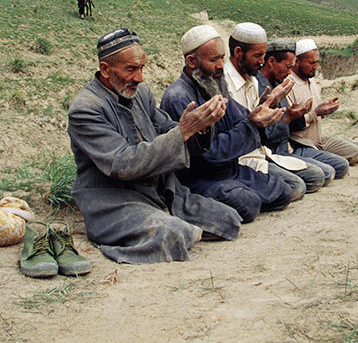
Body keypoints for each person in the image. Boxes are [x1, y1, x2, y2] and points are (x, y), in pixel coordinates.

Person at [67, 28, 242, 264]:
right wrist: (184, 131)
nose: (139, 78)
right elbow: (123, 163)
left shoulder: (141, 94)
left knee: (229, 219)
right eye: (131, 69)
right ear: (106, 69)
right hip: (116, 200)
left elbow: (169, 129)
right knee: (173, 233)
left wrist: (201, 126)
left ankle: (175, 223)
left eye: (141, 68)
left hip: (160, 192)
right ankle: (169, 228)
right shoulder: (86, 108)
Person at [160, 25, 293, 223]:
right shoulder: (178, 97)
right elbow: (208, 154)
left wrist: (264, 109)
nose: (221, 65)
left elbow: (244, 119)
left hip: (230, 171)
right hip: (202, 177)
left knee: (283, 191)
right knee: (247, 203)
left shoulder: (214, 85)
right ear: (192, 61)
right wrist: (252, 125)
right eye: (214, 59)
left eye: (222, 57)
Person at [224, 24, 325, 198]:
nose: (261, 61)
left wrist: (275, 111)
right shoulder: (225, 84)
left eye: (263, 56)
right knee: (296, 187)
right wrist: (282, 117)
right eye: (257, 56)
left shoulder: (253, 81)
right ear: (239, 52)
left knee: (315, 176)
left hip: (264, 153)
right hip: (242, 159)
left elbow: (261, 127)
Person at [258, 39, 350, 182]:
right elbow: (268, 132)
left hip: (294, 146)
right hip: (287, 147)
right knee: (320, 175)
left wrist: (299, 115)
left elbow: (288, 122)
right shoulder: (267, 87)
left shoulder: (281, 84)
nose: (289, 72)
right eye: (288, 66)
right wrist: (292, 117)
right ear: (271, 62)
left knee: (340, 165)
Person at [286, 38, 358, 165]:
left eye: (317, 62)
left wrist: (324, 109)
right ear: (297, 62)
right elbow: (288, 125)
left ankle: (322, 160)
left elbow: (316, 111)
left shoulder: (312, 82)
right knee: (341, 164)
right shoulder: (288, 85)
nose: (315, 67)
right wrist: (316, 113)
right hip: (301, 144)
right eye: (311, 63)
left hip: (319, 141)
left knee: (354, 152)